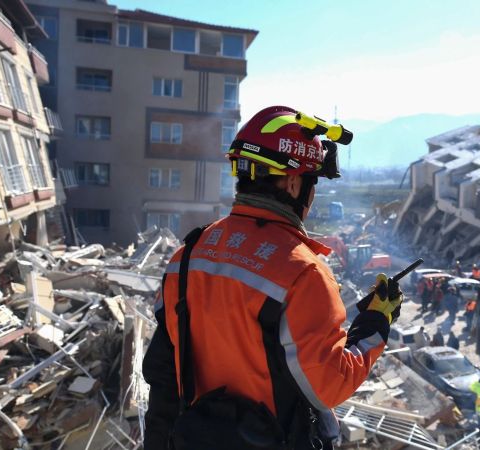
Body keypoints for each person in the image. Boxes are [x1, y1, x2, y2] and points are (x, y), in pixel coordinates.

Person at [142, 106, 402, 449]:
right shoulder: (304, 273)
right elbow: (328, 387)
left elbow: (162, 370)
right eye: (312, 183)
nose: (311, 196)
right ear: (293, 182)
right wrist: (375, 325)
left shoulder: (188, 256)